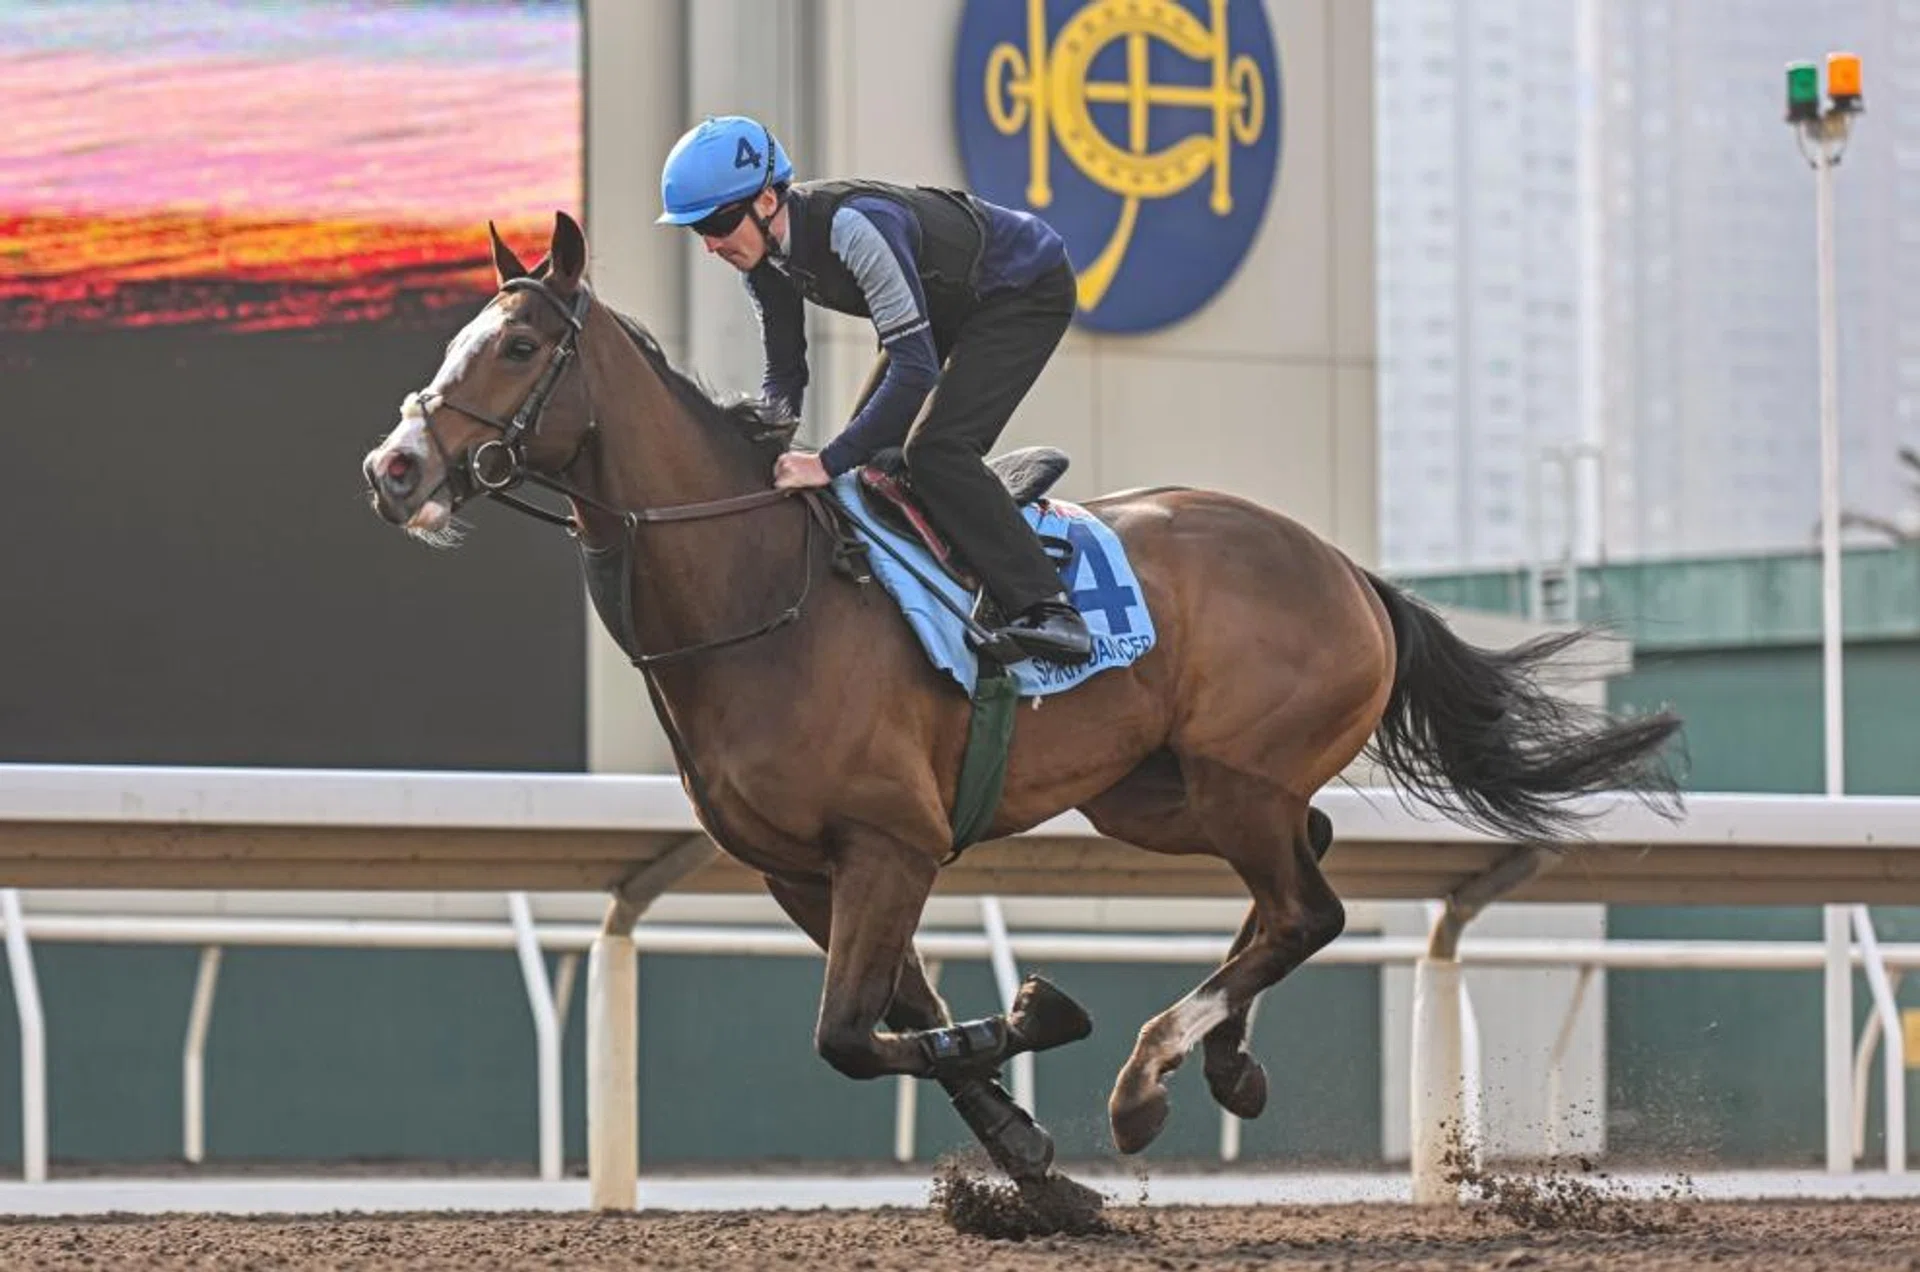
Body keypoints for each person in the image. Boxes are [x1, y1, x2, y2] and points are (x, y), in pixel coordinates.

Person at [655, 115, 1092, 666]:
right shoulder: (764, 265)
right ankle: (955, 555)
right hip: (949, 302)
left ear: (766, 201)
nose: (711, 244)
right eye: (697, 230)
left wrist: (824, 462)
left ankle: (1048, 608)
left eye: (717, 223)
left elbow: (915, 371)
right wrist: (767, 453)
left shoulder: (853, 228)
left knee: (934, 451)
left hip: (1023, 289)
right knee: (870, 463)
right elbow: (785, 374)